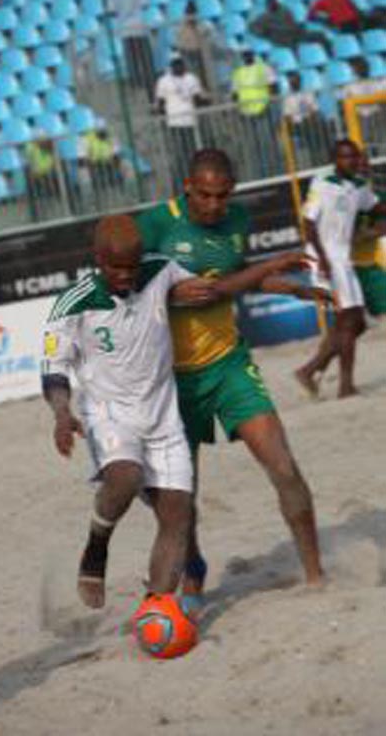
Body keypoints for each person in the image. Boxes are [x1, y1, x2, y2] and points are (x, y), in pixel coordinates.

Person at [137, 148, 325, 597]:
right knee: (181, 497)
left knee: (283, 466)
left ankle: (317, 576)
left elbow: (236, 274)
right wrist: (166, 297)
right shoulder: (154, 224)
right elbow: (123, 286)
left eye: (222, 196)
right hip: (170, 381)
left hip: (229, 366)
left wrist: (285, 286)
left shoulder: (237, 221)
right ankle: (193, 574)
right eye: (204, 195)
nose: (214, 205)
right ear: (187, 187)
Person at [41, 214, 214, 609]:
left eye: (131, 267)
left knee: (178, 516)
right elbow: (52, 368)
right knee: (125, 476)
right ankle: (96, 548)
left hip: (163, 417)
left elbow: (204, 288)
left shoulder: (159, 269)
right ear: (97, 258)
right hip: (109, 414)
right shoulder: (73, 302)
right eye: (115, 268)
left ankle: (158, 607)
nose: (125, 276)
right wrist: (61, 414)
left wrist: (266, 275)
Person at [295, 140, 386, 398]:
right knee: (349, 321)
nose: (352, 161)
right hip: (324, 259)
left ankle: (311, 369)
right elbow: (308, 224)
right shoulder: (322, 183)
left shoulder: (357, 186)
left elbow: (376, 207)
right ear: (335, 159)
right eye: (346, 157)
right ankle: (345, 386)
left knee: (356, 323)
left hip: (343, 261)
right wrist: (322, 259)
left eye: (355, 157)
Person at [155, 53, 210, 189]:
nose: (178, 66)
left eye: (180, 63)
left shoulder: (191, 78)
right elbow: (161, 102)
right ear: (170, 65)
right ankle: (179, 186)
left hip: (191, 122)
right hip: (174, 123)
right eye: (175, 63)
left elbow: (197, 98)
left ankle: (195, 183)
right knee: (179, 156)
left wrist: (207, 101)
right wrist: (163, 116)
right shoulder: (164, 80)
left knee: (193, 154)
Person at [231, 49, 281, 178]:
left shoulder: (263, 68)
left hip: (263, 110)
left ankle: (275, 173)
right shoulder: (238, 73)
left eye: (248, 53)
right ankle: (259, 175)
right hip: (247, 114)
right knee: (252, 147)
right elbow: (235, 94)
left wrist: (270, 105)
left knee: (267, 143)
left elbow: (274, 87)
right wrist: (239, 110)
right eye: (244, 54)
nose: (246, 56)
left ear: (253, 54)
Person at [175, 0, 234, 96]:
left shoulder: (203, 25)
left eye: (194, 12)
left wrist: (223, 51)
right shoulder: (181, 29)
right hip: (191, 58)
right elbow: (182, 48)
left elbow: (212, 44)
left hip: (206, 58)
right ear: (186, 14)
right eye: (190, 13)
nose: (192, 16)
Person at [282, 72, 331, 167]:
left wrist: (310, 117)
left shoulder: (307, 93)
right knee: (309, 129)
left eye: (296, 80)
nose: (294, 82)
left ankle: (324, 156)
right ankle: (316, 159)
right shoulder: (288, 98)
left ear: (299, 81)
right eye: (292, 81)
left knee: (321, 126)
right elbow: (287, 116)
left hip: (309, 121)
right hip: (297, 125)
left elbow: (315, 109)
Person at [250, 0, 330, 51]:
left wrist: (299, 26)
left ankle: (330, 54)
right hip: (282, 40)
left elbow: (291, 23)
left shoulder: (284, 10)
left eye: (273, 1)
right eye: (269, 2)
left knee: (320, 35)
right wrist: (265, 34)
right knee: (293, 48)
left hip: (295, 34)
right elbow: (251, 27)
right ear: (267, 4)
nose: (272, 4)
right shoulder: (264, 17)